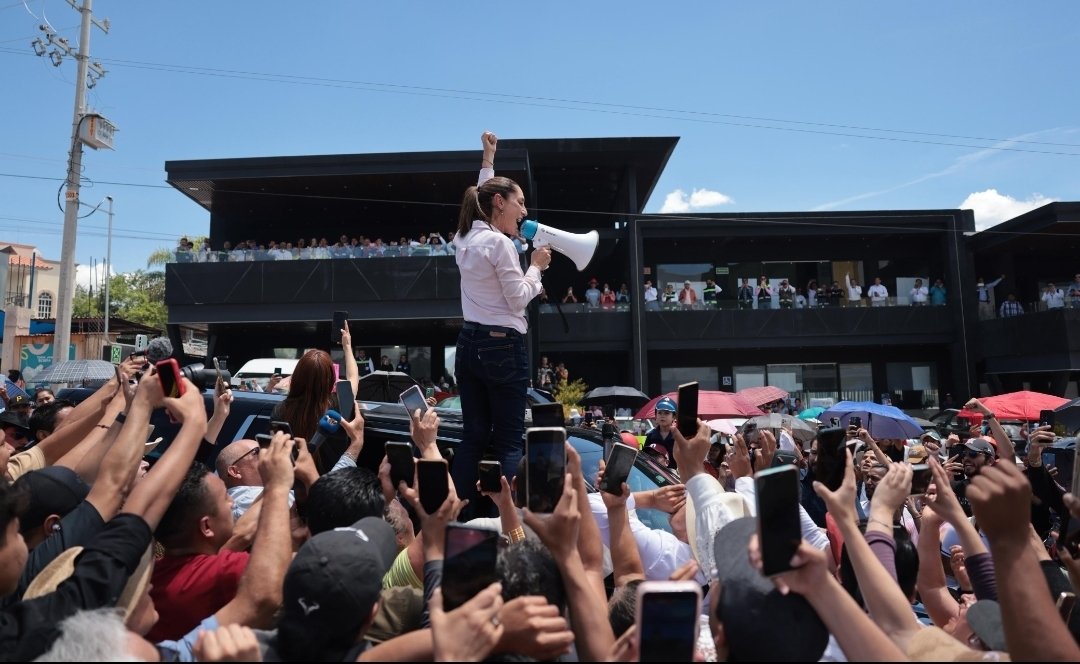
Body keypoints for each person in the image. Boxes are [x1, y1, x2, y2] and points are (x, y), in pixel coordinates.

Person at [451, 130, 551, 518]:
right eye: (519, 203)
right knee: (510, 440)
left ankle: (458, 514)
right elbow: (517, 297)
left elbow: (481, 193)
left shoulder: (465, 236)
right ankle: (514, 523)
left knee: (474, 436)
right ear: (499, 203)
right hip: (502, 346)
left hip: (469, 344)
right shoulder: (500, 245)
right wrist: (536, 269)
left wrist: (488, 159)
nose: (524, 212)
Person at [644, 397, 678, 470]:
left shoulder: (678, 436)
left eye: (666, 413)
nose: (662, 416)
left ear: (674, 417)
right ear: (656, 416)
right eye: (659, 413)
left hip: (675, 475)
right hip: (654, 472)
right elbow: (645, 456)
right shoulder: (650, 435)